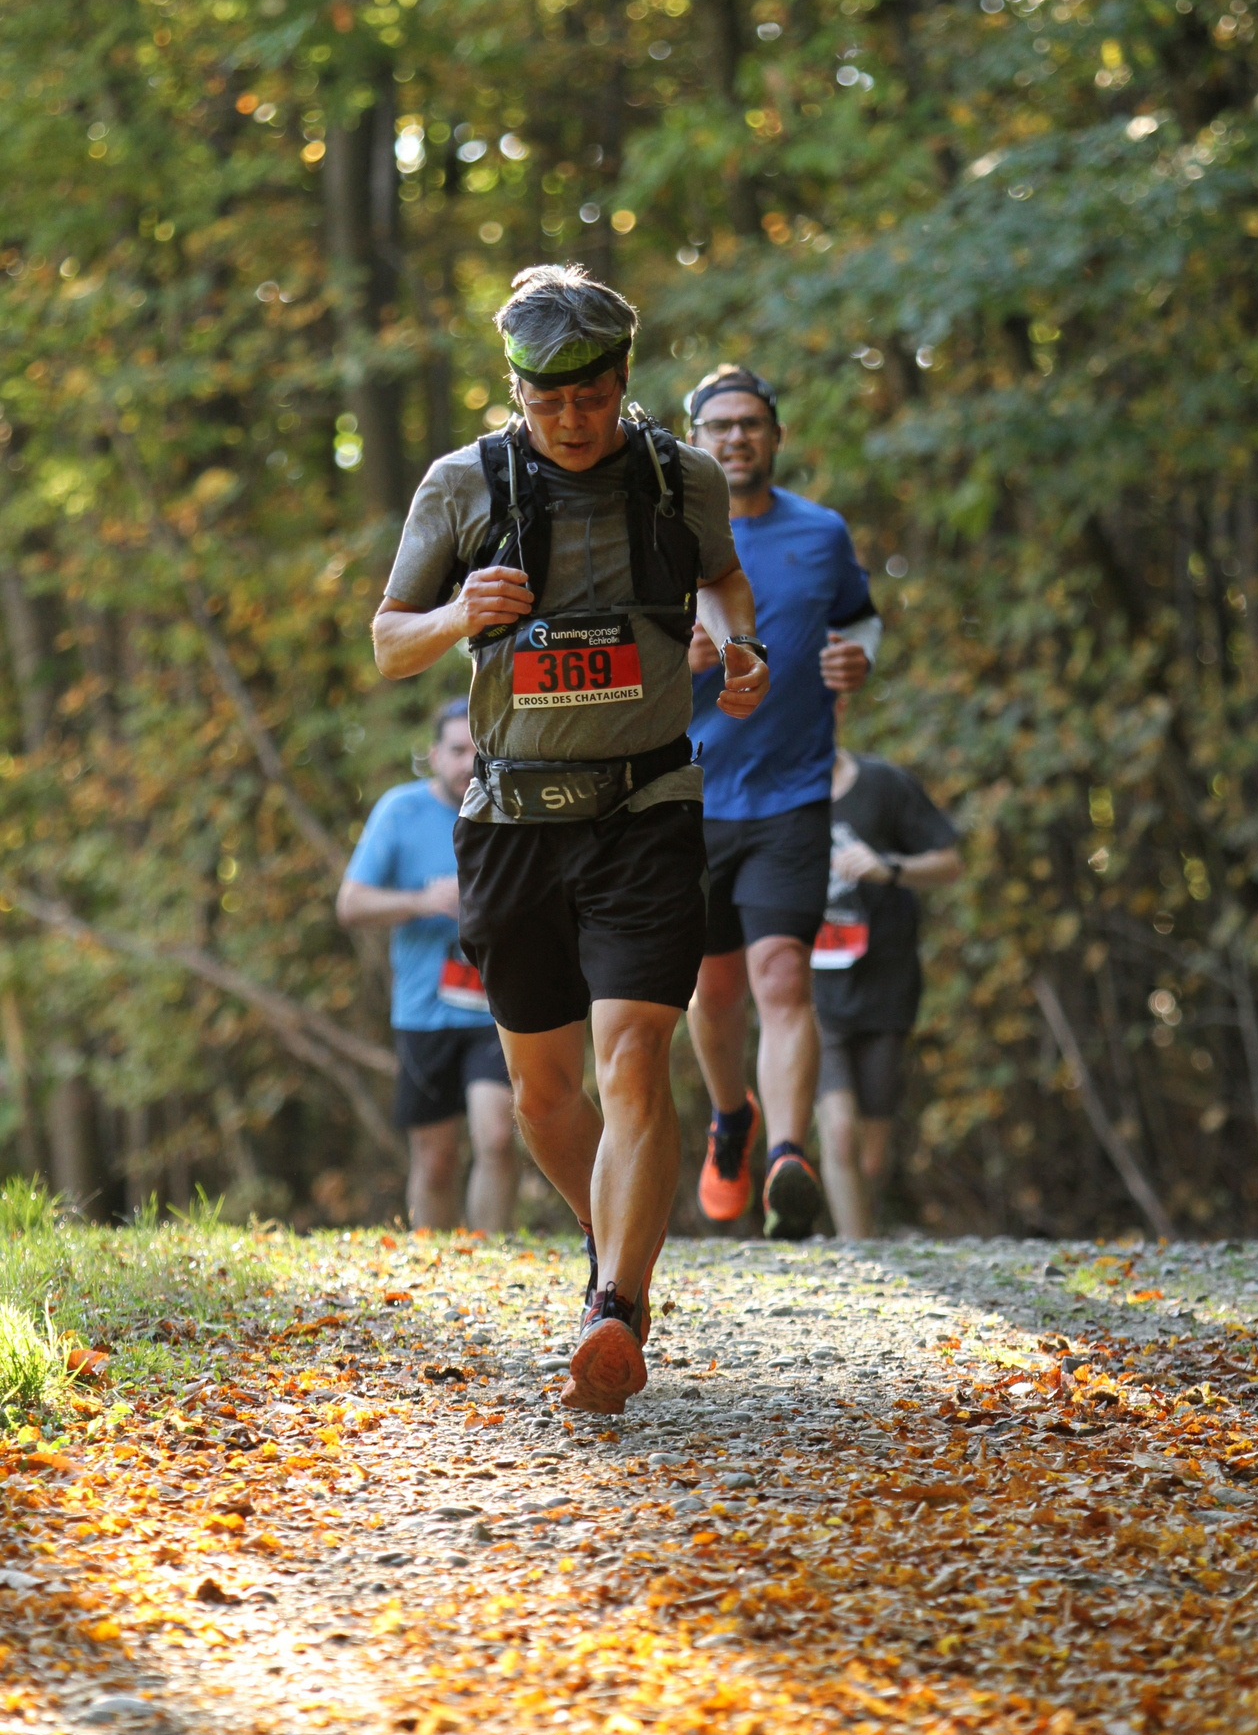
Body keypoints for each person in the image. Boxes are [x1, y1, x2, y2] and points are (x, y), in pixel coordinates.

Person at [369, 265, 768, 1415]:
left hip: (645, 807)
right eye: (547, 402)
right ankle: (614, 1241)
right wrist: (461, 614)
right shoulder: (461, 485)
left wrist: (740, 646)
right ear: (515, 392)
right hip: (511, 822)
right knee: (540, 1096)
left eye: (590, 397)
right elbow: (390, 641)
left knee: (633, 1055)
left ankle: (616, 1310)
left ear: (622, 379)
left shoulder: (680, 478)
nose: (571, 420)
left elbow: (723, 581)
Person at [684, 365, 882, 1240]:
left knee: (781, 975)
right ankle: (733, 1119)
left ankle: (787, 1160)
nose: (736, 437)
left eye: (751, 423)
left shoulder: (820, 531)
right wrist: (675, 660)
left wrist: (859, 659)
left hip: (793, 792)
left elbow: (861, 618)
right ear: (695, 441)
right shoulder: (668, 536)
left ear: (775, 436)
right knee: (715, 990)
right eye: (719, 425)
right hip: (689, 796)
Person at [336, 699, 518, 1233]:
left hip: (498, 1007)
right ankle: (433, 1263)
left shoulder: (516, 809)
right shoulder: (400, 810)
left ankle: (491, 1258)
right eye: (457, 750)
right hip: (424, 1011)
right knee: (436, 1160)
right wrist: (423, 901)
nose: (468, 764)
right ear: (434, 755)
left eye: (478, 752)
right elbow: (350, 904)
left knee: (498, 1138)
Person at [813, 730, 962, 1240]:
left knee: (872, 1156)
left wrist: (889, 868)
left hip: (886, 981)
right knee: (839, 1133)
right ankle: (857, 1258)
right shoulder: (777, 795)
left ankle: (868, 1241)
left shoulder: (885, 784)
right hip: (811, 992)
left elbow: (950, 863)